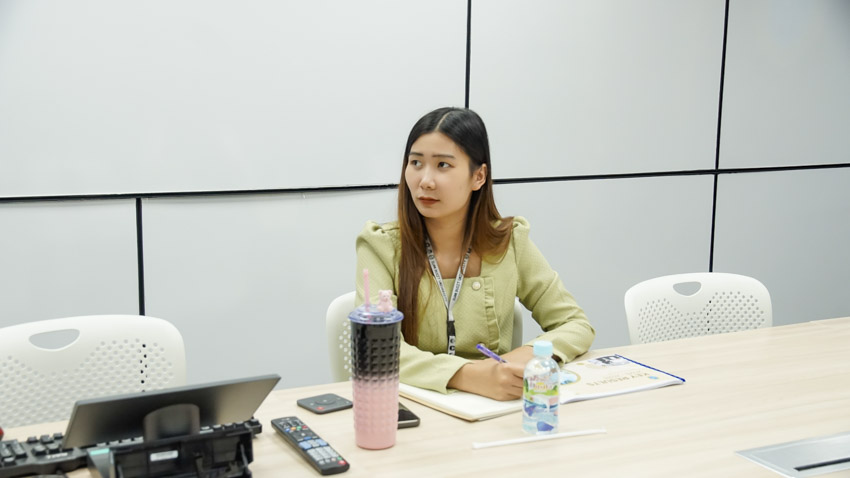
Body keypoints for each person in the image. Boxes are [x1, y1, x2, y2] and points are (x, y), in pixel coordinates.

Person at [356, 107, 594, 401]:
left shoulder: (510, 242)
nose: (425, 180)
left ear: (478, 176)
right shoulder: (380, 246)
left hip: (495, 406)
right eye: (415, 163)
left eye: (443, 165)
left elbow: (575, 324)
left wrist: (527, 354)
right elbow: (377, 349)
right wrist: (471, 375)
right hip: (412, 406)